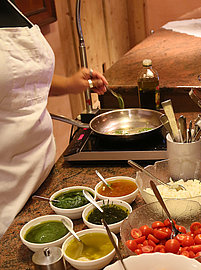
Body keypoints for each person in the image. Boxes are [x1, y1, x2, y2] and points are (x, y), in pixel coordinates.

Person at [0, 0, 108, 237]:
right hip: (6, 194)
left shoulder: (12, 7)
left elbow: (18, 82)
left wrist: (69, 83)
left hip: (43, 174)